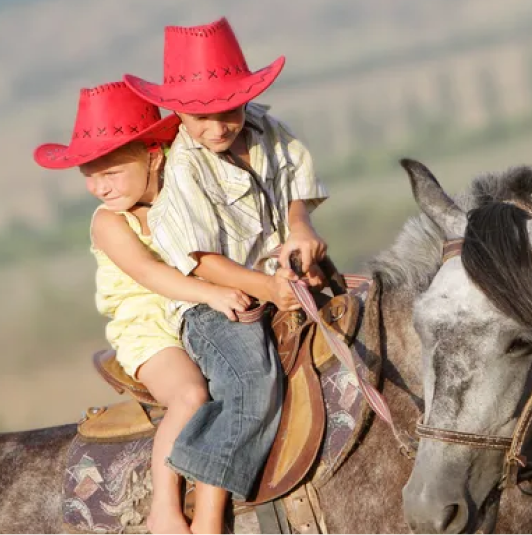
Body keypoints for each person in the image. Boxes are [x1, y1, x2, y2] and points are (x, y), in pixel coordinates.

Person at [122, 16, 330, 535]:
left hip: (279, 281)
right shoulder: (185, 168)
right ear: (178, 113)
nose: (218, 127)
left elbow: (296, 192)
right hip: (214, 302)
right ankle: (208, 512)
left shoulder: (268, 130)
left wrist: (300, 232)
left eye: (228, 111)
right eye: (202, 117)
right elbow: (201, 260)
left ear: (245, 99)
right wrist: (268, 289)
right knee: (251, 381)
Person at [33, 81, 253, 535]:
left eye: (110, 172)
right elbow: (152, 277)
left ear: (154, 153)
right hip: (151, 325)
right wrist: (212, 292)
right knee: (191, 396)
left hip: (199, 309)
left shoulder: (187, 189)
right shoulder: (109, 222)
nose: (97, 187)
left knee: (247, 380)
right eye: (89, 176)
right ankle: (166, 511)